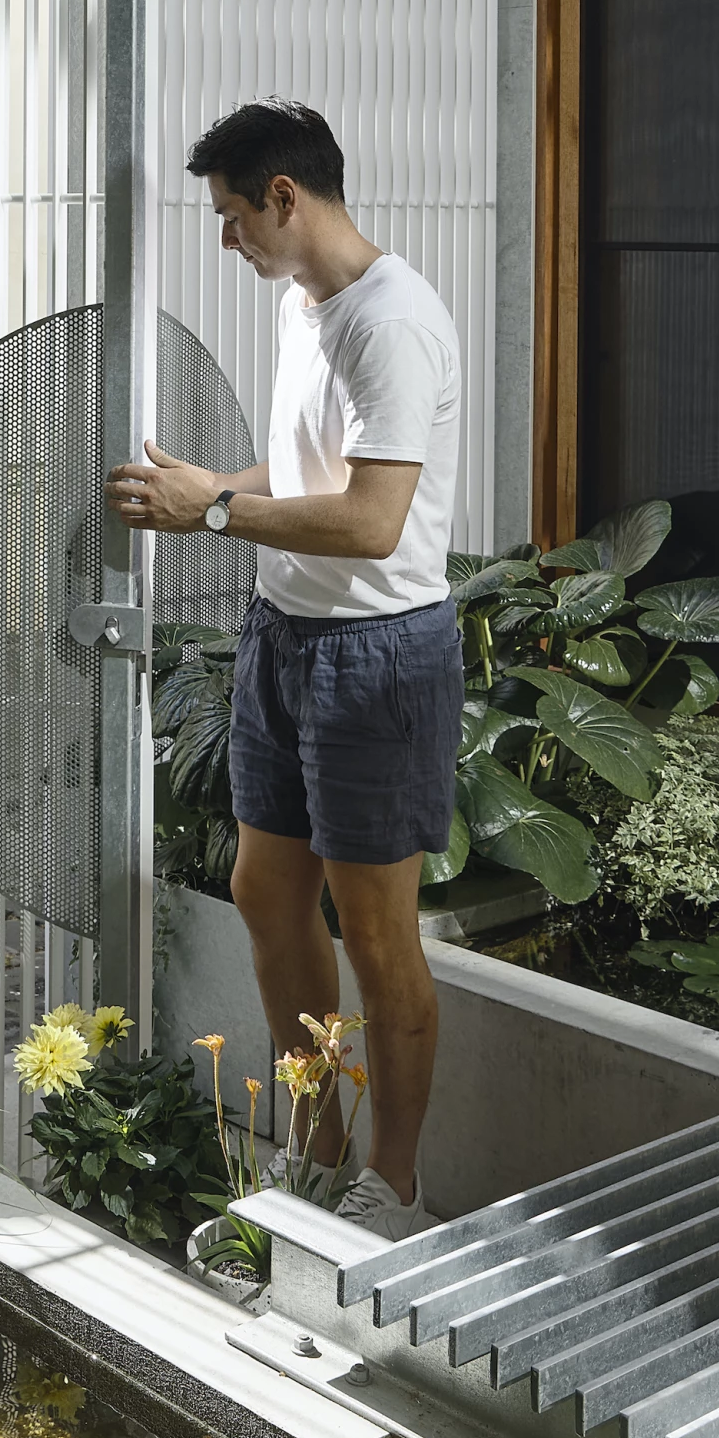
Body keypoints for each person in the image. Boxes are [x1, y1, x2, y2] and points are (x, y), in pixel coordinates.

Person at [106, 99, 462, 1242]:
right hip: (283, 636)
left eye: (230, 216)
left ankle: (393, 1190)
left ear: (283, 197)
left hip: (376, 656)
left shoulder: (389, 324)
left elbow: (370, 521)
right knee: (266, 892)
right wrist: (218, 485)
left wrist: (211, 511)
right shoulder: (304, 307)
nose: (226, 240)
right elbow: (311, 468)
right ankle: (314, 1155)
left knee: (378, 935)